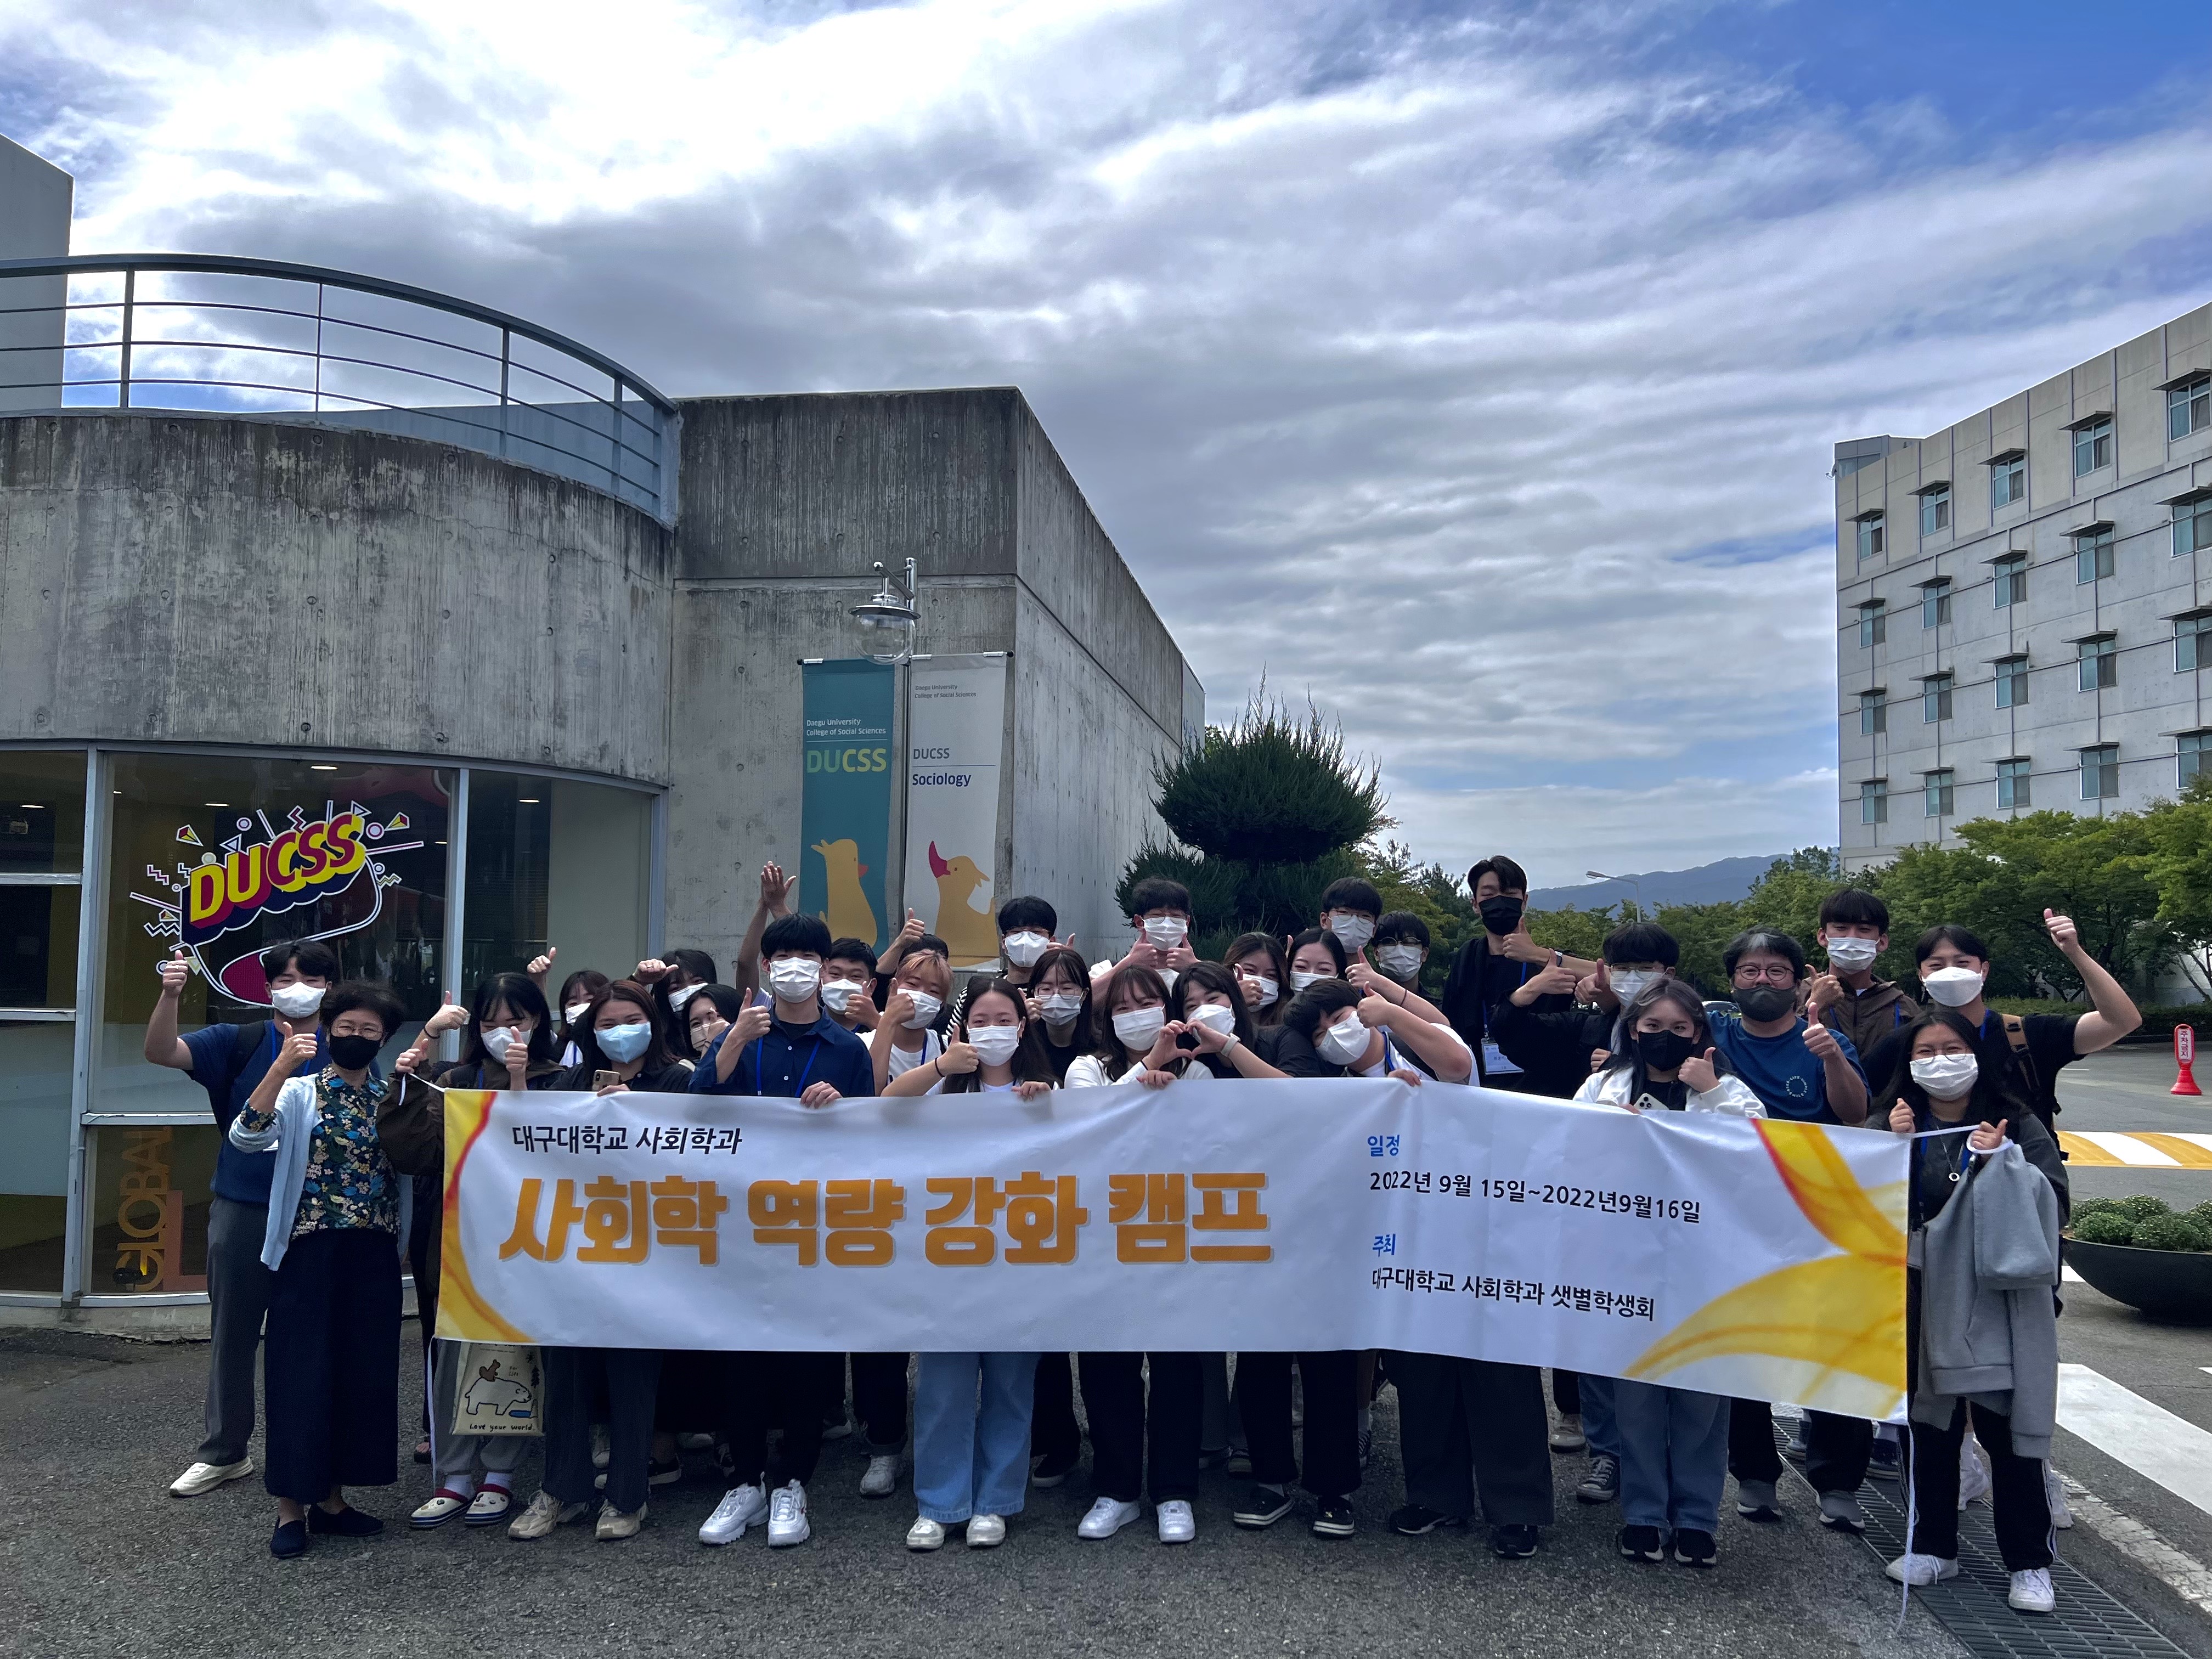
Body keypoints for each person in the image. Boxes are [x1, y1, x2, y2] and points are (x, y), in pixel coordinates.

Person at [691, 913, 876, 1550]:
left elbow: (870, 1140)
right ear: (767, 968)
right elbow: (696, 1109)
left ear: (824, 969)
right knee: (741, 1359)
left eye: (807, 957)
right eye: (783, 957)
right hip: (741, 1225)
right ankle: (745, 1482)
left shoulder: (847, 1049)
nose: (795, 967)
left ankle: (793, 1481)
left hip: (814, 1229)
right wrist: (733, 1041)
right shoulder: (742, 1034)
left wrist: (840, 1112)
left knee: (806, 1360)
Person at [1880, 1009, 2068, 1616]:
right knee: (1926, 1425)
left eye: (1951, 1048)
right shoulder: (1892, 1122)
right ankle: (1933, 1545)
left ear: (1976, 1056)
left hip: (1995, 1296)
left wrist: (2005, 1163)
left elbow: (2056, 1202)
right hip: (1915, 1293)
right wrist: (1888, 1148)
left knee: (2006, 1427)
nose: (1940, 1061)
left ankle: (2030, 1561)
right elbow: (1855, 1203)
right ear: (1908, 1064)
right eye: (1925, 1051)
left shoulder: (2017, 1122)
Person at [1572, 980, 1763, 1569]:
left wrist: (1711, 1094)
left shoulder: (1728, 1089)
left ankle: (1698, 1518)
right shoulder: (1603, 1087)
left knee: (1703, 1399)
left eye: (1680, 1028)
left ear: (1700, 1034)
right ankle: (1644, 1515)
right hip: (1626, 1264)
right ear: (1632, 1029)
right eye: (1652, 1026)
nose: (1664, 1037)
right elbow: (1567, 1151)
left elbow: (1761, 1157)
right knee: (1636, 1398)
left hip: (1705, 1267)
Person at [141, 937, 340, 1499]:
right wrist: (170, 995)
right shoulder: (237, 1040)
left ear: (330, 987)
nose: (298, 989)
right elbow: (161, 1051)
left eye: (311, 978)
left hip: (317, 1212)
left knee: (312, 1338)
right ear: (267, 987)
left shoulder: (344, 1044)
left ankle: (308, 1451)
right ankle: (225, 1452)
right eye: (286, 979)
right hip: (243, 1206)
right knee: (233, 1333)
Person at [226, 979, 407, 1559]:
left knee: (359, 1376)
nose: (356, 1037)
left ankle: (332, 1502)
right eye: (346, 1027)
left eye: (369, 1030)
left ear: (384, 1038)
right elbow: (246, 1137)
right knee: (299, 1374)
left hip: (373, 1253)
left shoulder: (390, 1096)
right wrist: (281, 1065)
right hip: (309, 1252)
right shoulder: (301, 1092)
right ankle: (290, 1509)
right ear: (328, 1031)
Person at [509, 979, 694, 1545]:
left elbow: (694, 1154)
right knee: (565, 1369)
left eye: (630, 1020)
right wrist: (518, 1083)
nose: (619, 1032)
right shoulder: (573, 1082)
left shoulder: (677, 1079)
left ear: (652, 1024)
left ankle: (627, 1495)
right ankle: (560, 1489)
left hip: (649, 1253)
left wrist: (633, 1111)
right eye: (606, 1024)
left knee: (632, 1373)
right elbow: (527, 1141)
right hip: (578, 1250)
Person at [379, 973, 565, 1532]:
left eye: (516, 1021)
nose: (503, 1033)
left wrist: (519, 1082)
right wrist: (406, 1080)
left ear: (538, 1022)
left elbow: (552, 1155)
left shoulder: (561, 1080)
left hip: (531, 1244)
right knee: (452, 1355)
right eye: (490, 1023)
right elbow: (414, 1153)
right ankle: (453, 1476)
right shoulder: (453, 1081)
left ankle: (500, 1474)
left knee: (513, 1355)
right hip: (459, 1242)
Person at [1705, 928, 1872, 1530]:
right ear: (1732, 981)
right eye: (1750, 971)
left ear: (1798, 980)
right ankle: (1754, 1474)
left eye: (1776, 971)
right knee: (1744, 1343)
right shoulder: (1715, 1036)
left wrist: (1831, 1057)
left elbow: (1855, 1112)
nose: (1762, 981)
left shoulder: (1825, 1040)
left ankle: (1839, 1481)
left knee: (1830, 1345)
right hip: (1736, 1216)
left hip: (1816, 1215)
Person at [883, 979, 1053, 1549]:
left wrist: (1047, 1106)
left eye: (1005, 1019)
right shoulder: (945, 1088)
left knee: (1010, 1384)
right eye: (981, 1020)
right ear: (962, 1029)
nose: (994, 1030)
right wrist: (940, 1066)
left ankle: (996, 1502)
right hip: (950, 1261)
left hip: (1022, 1264)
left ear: (1022, 1027)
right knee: (943, 1386)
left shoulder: (1046, 1089)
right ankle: (940, 1503)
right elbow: (887, 1106)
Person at [1062, 964, 1199, 1543]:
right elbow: (1089, 1126)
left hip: (1178, 1235)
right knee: (1107, 1366)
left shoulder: (1198, 1072)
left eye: (1147, 1003)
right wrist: (1147, 1068)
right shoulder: (1086, 1069)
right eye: (1122, 1007)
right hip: (1104, 1236)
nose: (1136, 1015)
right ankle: (1116, 1490)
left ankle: (1174, 1491)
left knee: (1178, 1367)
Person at [1864, 912, 2142, 1136]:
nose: (1950, 971)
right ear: (1922, 976)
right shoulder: (1903, 1044)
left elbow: (2121, 1021)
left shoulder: (2028, 1035)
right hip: (1931, 1185)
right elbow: (1856, 1103)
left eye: (1962, 963)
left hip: (2024, 1180)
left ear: (1983, 970)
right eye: (1936, 965)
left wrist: (2075, 952)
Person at [1438, 855, 1586, 1091]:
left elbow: (1609, 976)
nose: (1500, 902)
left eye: (1510, 894)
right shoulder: (1467, 959)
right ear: (1475, 904)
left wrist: (1537, 954)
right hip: (1479, 1091)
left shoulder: (1548, 963)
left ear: (1524, 901)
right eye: (1489, 895)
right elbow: (1450, 1024)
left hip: (1544, 1093)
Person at [1806, 889, 1919, 1061]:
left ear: (1882, 942)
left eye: (1864, 930)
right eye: (1841, 928)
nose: (1852, 937)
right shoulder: (1797, 995)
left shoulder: (1902, 1006)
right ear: (1823, 937)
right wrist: (1815, 1005)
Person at [1171, 963, 1289, 1080]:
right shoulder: (1183, 1061)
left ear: (1234, 998)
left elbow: (1291, 1088)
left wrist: (1227, 1046)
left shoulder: (1281, 1039)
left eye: (1212, 999)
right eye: (1192, 1006)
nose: (1204, 1010)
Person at [868, 933, 955, 1091]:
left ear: (942, 1003)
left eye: (934, 991)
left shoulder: (946, 1049)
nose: (921, 995)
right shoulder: (861, 1044)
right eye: (913, 984)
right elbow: (870, 1093)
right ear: (894, 986)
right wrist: (888, 1020)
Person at [1091, 877, 1198, 994]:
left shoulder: (1196, 974)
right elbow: (1084, 999)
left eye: (1176, 916)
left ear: (1187, 923)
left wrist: (1196, 968)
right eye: (1157, 916)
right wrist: (1128, 965)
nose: (1167, 924)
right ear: (1139, 922)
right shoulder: (1105, 969)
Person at [1023, 944, 1094, 1084]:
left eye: (1066, 988)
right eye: (1046, 989)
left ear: (1084, 994)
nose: (1056, 995)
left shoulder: (1102, 1048)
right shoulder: (1023, 1047)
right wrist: (1020, 1025)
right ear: (1034, 994)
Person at [634, 947, 719, 1060]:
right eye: (675, 988)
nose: (689, 991)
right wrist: (637, 982)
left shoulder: (730, 1023)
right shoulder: (656, 1040)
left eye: (697, 981)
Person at [820, 937, 882, 1037]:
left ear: (871, 986)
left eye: (855, 976)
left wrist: (876, 1023)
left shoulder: (884, 1026)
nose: (844, 983)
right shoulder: (805, 1023)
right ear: (820, 979)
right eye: (835, 974)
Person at [1317, 877, 1383, 962]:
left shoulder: (1374, 974)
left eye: (1365, 916)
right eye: (1344, 912)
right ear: (1324, 921)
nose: (1354, 921)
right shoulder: (1304, 968)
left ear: (1374, 929)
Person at [1369, 911, 1431, 994]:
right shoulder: (1359, 999)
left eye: (1409, 942)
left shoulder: (1434, 1003)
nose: (1399, 948)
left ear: (1424, 954)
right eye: (1389, 942)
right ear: (1377, 953)